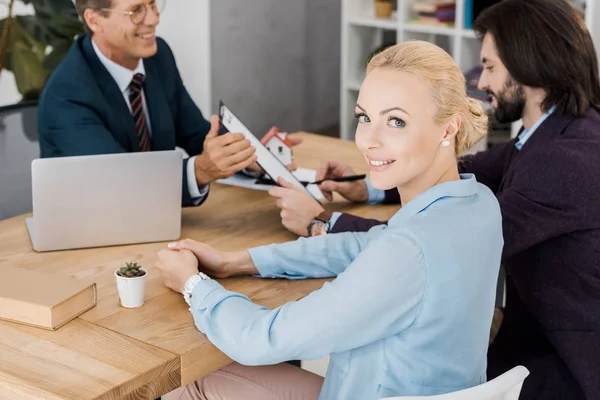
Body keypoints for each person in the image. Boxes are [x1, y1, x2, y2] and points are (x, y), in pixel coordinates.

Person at [270, 1, 600, 398]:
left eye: (491, 67)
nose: (483, 83)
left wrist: (321, 221)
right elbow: (478, 165)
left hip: (563, 366)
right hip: (533, 330)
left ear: (530, 66)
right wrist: (371, 185)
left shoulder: (564, 160)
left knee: (374, 332)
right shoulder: (560, 131)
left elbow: (448, 240)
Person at [154, 40, 504, 400]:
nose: (369, 140)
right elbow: (368, 243)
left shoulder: (408, 252)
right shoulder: (478, 204)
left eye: (396, 121)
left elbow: (261, 338)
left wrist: (193, 285)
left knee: (193, 384)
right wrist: (237, 262)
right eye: (365, 117)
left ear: (448, 129)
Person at [37, 0, 296, 207]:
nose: (153, 19)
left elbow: (195, 132)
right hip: (93, 232)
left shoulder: (157, 56)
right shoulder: (67, 93)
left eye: (152, 4)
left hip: (160, 224)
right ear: (94, 20)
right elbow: (117, 183)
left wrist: (247, 154)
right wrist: (199, 172)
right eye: (136, 10)